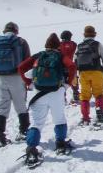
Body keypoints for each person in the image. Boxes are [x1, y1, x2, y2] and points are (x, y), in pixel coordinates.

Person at [18, 33, 77, 165]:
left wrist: (28, 82)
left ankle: (32, 148)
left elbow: (21, 67)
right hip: (56, 92)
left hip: (38, 93)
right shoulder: (60, 56)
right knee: (59, 119)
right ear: (58, 46)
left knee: (37, 123)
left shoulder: (39, 56)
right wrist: (67, 83)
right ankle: (60, 143)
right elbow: (72, 66)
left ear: (46, 45)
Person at [0, 21, 31, 147]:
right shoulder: (21, 42)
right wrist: (27, 79)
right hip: (17, 77)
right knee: (20, 105)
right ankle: (24, 132)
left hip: (0, 78)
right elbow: (27, 61)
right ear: (16, 31)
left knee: (1, 106)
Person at [75, 25, 103, 126]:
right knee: (98, 94)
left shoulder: (79, 46)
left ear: (84, 34)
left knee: (84, 96)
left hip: (83, 73)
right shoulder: (98, 45)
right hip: (97, 72)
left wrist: (77, 75)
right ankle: (100, 115)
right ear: (94, 34)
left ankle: (85, 118)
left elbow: (75, 61)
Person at [60, 30, 79, 103]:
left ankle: (63, 97)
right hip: (71, 66)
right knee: (74, 80)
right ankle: (76, 94)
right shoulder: (74, 44)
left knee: (62, 83)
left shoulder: (59, 44)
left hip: (62, 66)